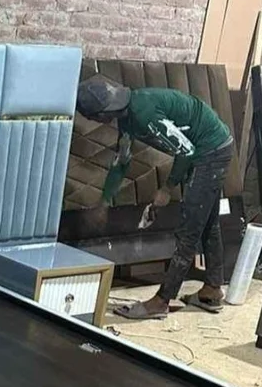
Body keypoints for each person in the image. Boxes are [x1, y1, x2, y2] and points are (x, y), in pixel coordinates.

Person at [75, 78, 235, 319]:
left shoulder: (143, 113)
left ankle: (161, 301)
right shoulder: (127, 116)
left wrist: (167, 188)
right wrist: (105, 202)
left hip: (210, 151)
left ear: (103, 114)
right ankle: (212, 289)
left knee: (188, 231)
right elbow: (122, 160)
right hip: (207, 148)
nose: (94, 122)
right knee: (207, 223)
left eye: (93, 117)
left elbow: (186, 150)